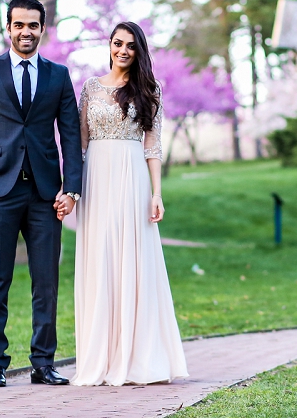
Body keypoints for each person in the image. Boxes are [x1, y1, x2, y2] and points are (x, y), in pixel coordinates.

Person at [0, 0, 82, 388]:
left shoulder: (58, 76)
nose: (26, 31)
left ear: (43, 29)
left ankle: (43, 363)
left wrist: (72, 189)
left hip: (46, 194)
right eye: (19, 25)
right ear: (8, 28)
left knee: (45, 282)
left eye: (33, 25)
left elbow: (71, 135)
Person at [71, 21, 188, 386]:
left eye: (131, 45)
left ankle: (137, 355)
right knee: (100, 259)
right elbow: (80, 144)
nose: (123, 50)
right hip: (96, 179)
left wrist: (156, 193)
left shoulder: (149, 89)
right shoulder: (90, 87)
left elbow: (152, 146)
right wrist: (72, 187)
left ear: (139, 51)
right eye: (118, 43)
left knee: (133, 259)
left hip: (132, 178)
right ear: (109, 45)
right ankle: (100, 357)